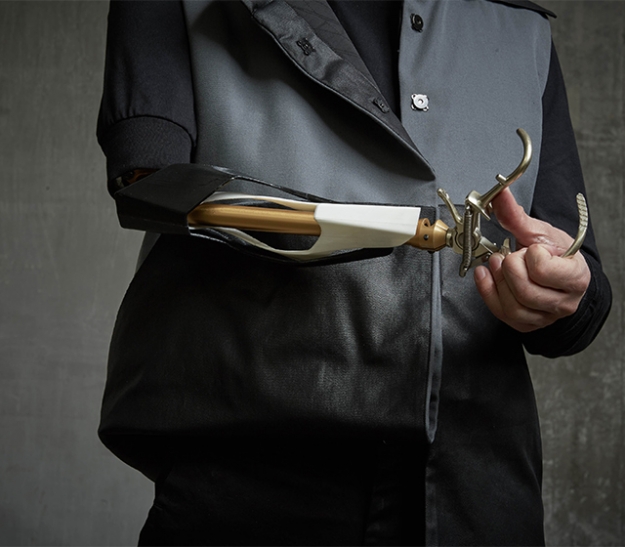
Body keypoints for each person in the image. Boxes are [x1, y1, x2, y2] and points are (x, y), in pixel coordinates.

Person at [96, 1, 612, 545]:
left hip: (479, 496)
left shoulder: (518, 26)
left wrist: (562, 292)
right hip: (254, 488)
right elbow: (150, 185)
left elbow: (582, 292)